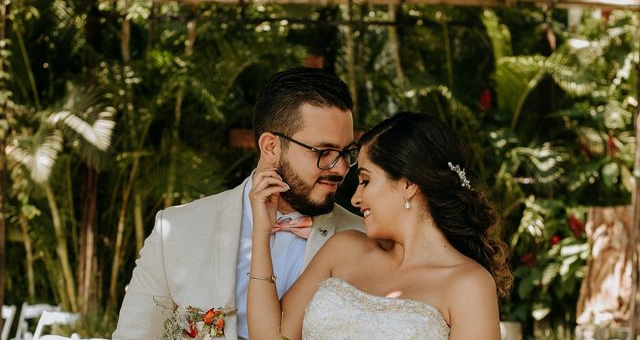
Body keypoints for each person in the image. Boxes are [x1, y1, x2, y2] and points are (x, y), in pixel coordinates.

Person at [112, 67, 364, 340]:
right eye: (324, 152)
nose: (339, 169)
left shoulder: (364, 237)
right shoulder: (177, 230)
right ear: (271, 147)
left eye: (346, 153)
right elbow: (134, 335)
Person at [248, 112, 512, 340]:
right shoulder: (343, 249)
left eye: (365, 181)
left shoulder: (468, 285)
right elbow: (272, 336)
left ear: (407, 184)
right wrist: (261, 231)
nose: (355, 198)